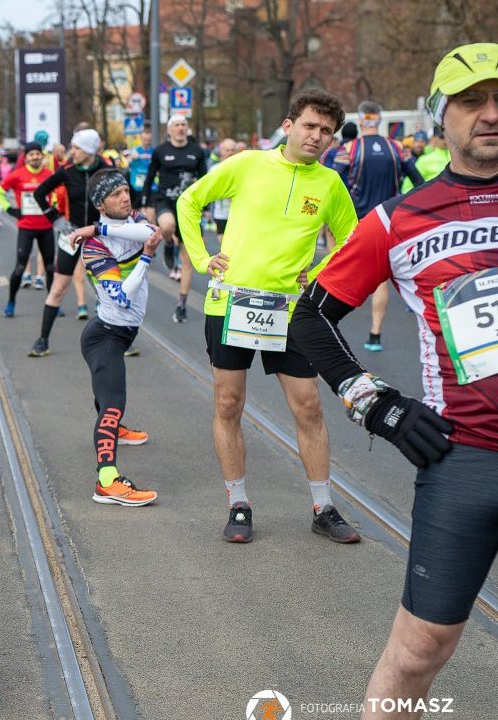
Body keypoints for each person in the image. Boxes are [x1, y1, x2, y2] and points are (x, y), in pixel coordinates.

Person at [288, 44, 498, 719]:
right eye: (472, 101)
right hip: (464, 460)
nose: (491, 114)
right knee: (416, 652)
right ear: (441, 116)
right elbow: (311, 320)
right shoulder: (397, 221)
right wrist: (371, 403)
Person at [177, 90, 361, 544]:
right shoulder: (247, 165)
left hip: (291, 310)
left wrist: (315, 273)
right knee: (228, 404)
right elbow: (189, 202)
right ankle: (238, 504)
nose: (318, 136)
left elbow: (351, 240)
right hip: (231, 302)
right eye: (310, 126)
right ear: (288, 125)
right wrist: (202, 258)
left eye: (327, 132)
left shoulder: (330, 184)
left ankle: (324, 507)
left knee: (310, 406)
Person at [71, 169, 162, 505]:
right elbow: (122, 295)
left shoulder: (126, 222)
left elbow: (149, 230)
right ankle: (106, 481)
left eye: (126, 190)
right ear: (100, 203)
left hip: (120, 333)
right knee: (112, 403)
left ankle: (116, 430)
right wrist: (147, 258)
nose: (125, 197)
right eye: (116, 194)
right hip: (105, 336)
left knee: (109, 401)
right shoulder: (95, 247)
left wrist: (95, 225)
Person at [332, 100, 426, 353]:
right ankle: (375, 334)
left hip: (360, 222)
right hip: (391, 220)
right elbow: (419, 182)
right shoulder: (398, 148)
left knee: (343, 270)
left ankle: (328, 327)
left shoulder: (350, 149)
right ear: (379, 119)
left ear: (362, 120)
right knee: (385, 279)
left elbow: (332, 182)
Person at [33, 128, 109, 336]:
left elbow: (127, 198)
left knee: (108, 289)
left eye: (77, 147)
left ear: (89, 149)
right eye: (72, 147)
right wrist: (56, 220)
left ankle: (121, 341)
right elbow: (39, 193)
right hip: (72, 233)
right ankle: (42, 340)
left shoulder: (107, 170)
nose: (72, 151)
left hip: (99, 234)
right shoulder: (67, 170)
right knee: (58, 288)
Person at [143, 114, 208, 321]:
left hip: (189, 207)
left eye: (184, 125)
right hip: (165, 201)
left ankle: (182, 304)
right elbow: (150, 177)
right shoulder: (160, 151)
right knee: (167, 225)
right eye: (177, 125)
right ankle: (169, 245)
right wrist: (146, 202)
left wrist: (206, 206)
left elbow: (206, 180)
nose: (181, 128)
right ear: (169, 129)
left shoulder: (196, 151)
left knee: (188, 260)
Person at [0, 142, 55, 336]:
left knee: (50, 268)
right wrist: (10, 209)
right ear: (25, 157)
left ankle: (54, 302)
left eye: (37, 154)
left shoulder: (49, 175)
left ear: (42, 156)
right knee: (20, 267)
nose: (35, 157)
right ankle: (11, 302)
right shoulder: (17, 175)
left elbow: (59, 193)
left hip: (46, 228)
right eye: (31, 154)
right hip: (26, 227)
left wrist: (55, 209)